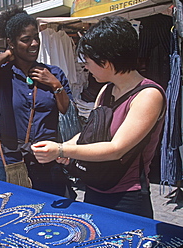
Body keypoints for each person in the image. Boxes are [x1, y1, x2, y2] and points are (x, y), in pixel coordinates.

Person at [31, 16, 166, 218]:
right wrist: (64, 149)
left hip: (127, 197)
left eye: (88, 61)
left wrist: (61, 149)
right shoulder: (106, 91)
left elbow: (116, 148)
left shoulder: (148, 95)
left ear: (107, 62)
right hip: (95, 187)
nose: (86, 67)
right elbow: (90, 133)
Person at [0, 6, 75, 198]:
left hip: (47, 157)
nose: (34, 44)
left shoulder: (54, 73)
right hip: (13, 159)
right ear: (11, 43)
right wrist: (7, 55)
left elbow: (66, 109)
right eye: (25, 40)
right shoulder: (3, 75)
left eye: (36, 38)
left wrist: (54, 84)